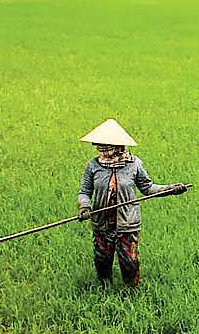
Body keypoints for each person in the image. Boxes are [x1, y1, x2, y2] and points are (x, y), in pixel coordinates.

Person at [77, 119, 186, 286]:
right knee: (101, 260)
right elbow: (85, 191)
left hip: (127, 222)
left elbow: (148, 188)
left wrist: (170, 189)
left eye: (106, 148)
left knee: (129, 261)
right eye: (99, 147)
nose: (102, 152)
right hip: (101, 222)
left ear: (118, 147)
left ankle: (132, 291)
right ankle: (104, 287)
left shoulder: (134, 164)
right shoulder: (93, 165)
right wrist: (85, 206)